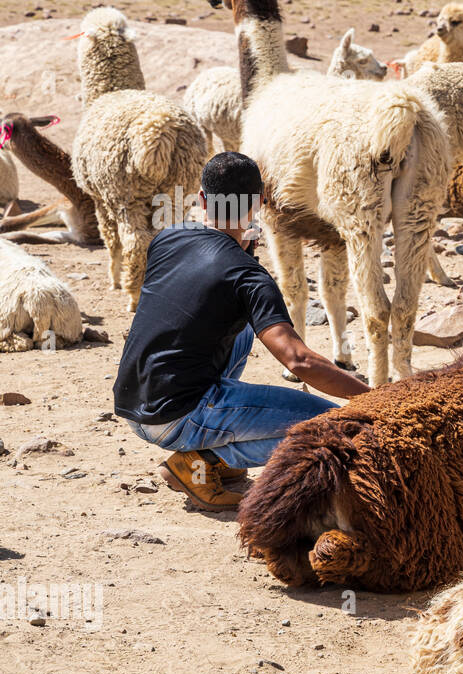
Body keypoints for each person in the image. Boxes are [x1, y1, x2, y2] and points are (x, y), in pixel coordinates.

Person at [113, 152, 370, 511]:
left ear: (202, 199)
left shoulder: (167, 237)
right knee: (339, 432)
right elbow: (298, 360)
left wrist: (242, 252)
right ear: (260, 203)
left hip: (132, 405)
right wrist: (370, 399)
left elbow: (191, 300)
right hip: (176, 417)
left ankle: (210, 457)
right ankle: (200, 462)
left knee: (242, 333)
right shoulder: (247, 276)